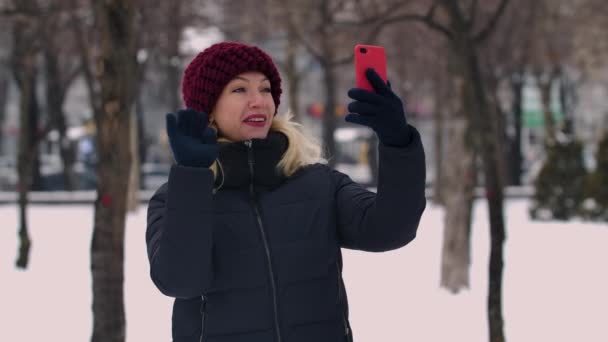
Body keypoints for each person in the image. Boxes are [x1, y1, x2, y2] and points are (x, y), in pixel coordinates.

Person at [146, 41, 426, 342]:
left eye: (265, 89)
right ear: (208, 108)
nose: (258, 101)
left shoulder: (321, 184)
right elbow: (180, 281)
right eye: (240, 90)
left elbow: (391, 229)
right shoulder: (176, 197)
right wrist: (192, 179)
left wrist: (398, 143)